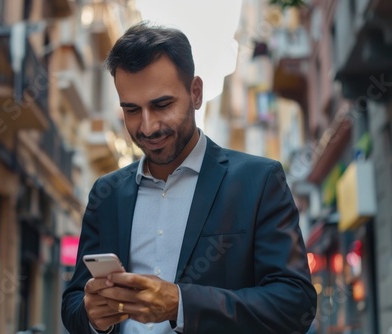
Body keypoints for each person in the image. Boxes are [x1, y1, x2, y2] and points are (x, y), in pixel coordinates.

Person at [61, 21, 317, 334]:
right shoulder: (107, 193)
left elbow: (295, 302)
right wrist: (92, 316)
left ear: (195, 93)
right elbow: (73, 301)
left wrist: (180, 305)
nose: (148, 126)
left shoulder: (259, 181)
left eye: (162, 105)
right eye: (131, 110)